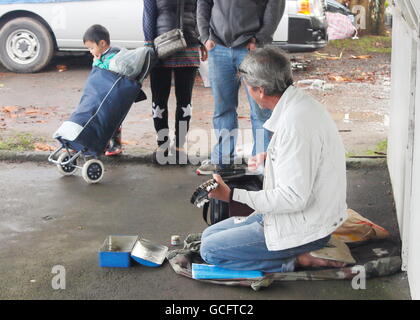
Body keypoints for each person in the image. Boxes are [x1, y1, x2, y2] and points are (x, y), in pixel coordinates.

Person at [199, 46, 349, 272]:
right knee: (210, 233)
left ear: (259, 90)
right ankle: (290, 253)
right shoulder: (299, 105)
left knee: (210, 249)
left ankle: (296, 260)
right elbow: (304, 156)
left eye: (247, 87)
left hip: (305, 228)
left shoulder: (294, 125)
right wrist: (271, 157)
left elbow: (293, 198)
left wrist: (231, 195)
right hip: (296, 216)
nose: (247, 91)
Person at [195, 0, 286, 175]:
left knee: (260, 109)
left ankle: (260, 164)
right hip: (218, 47)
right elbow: (204, 3)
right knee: (223, 109)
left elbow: (274, 5)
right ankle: (221, 161)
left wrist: (260, 39)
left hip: (251, 49)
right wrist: (205, 36)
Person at [143, 0, 207, 165]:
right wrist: (149, 44)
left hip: (190, 44)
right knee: (159, 99)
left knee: (185, 100)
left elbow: (201, 12)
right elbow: (149, 15)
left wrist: (202, 40)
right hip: (161, 45)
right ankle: (162, 145)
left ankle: (179, 146)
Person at [83, 24, 123, 156]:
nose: (90, 51)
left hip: (112, 95)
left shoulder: (114, 55)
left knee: (112, 122)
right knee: (102, 121)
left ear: (102, 43)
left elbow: (106, 70)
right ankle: (103, 144)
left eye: (91, 48)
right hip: (104, 94)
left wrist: (97, 62)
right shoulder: (102, 55)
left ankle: (116, 145)